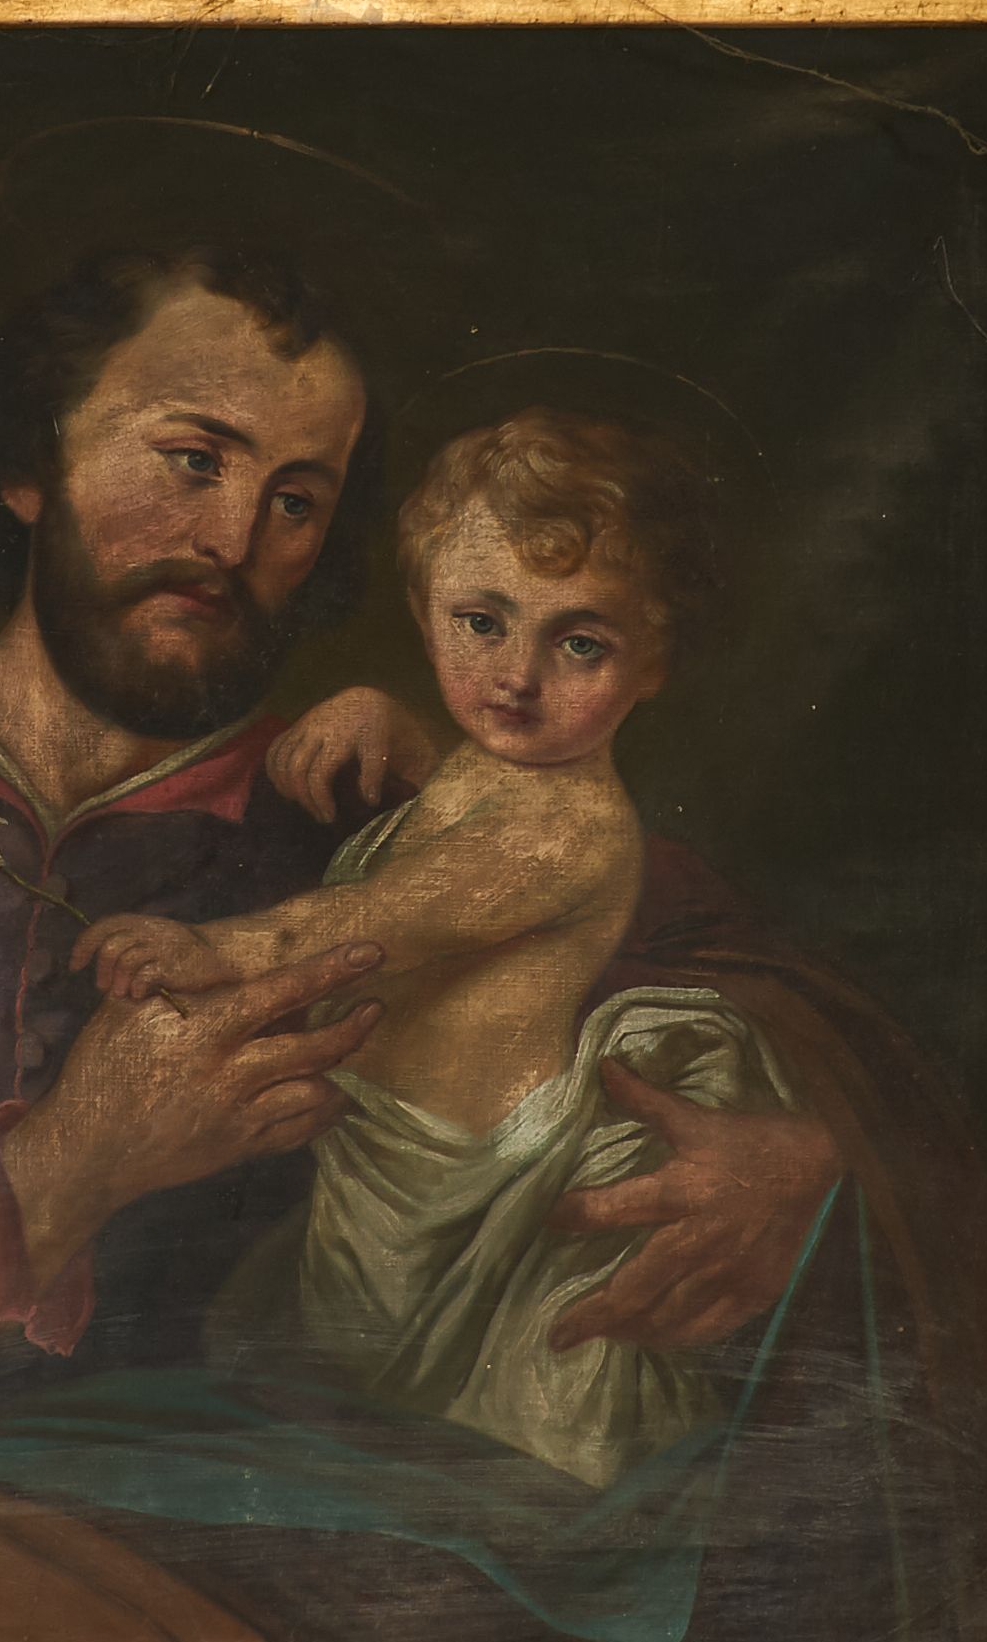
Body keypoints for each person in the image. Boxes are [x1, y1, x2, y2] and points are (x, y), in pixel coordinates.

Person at [0, 240, 987, 1642]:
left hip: (333, 1549)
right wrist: (63, 1165)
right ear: (28, 463)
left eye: (296, 498)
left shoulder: (368, 794)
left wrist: (805, 1161)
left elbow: (758, 996)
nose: (237, 539)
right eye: (193, 459)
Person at [75, 406, 801, 1493]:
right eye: (481, 621)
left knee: (481, 1476)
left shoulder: (565, 828)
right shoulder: (502, 769)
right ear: (424, 611)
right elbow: (466, 794)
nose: (516, 676)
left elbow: (370, 923)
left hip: (480, 1214)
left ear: (653, 665)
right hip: (390, 1194)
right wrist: (392, 719)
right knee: (359, 1438)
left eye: (581, 643)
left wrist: (208, 950)